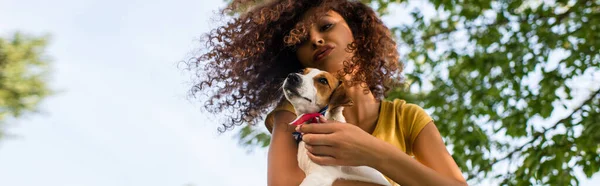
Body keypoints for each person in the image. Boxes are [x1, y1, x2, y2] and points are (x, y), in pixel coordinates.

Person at [188, 0, 467, 185]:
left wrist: (373, 152)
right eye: (301, 41)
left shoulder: (406, 117)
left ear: (355, 32)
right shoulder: (292, 116)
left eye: (326, 26)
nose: (316, 39)